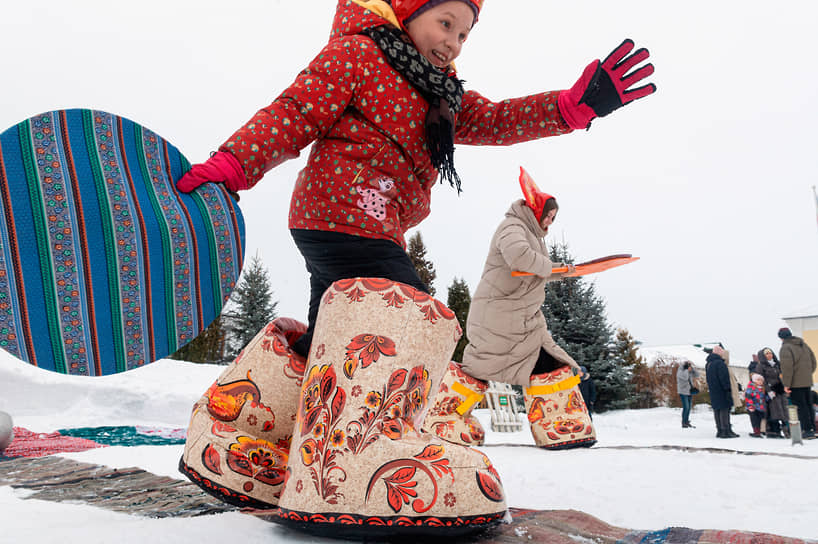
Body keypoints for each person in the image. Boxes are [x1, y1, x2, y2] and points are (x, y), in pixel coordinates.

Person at [175, 0, 657, 359]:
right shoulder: (359, 54)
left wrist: (569, 109)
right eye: (445, 23)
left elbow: (495, 120)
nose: (453, 41)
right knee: (413, 320)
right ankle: (367, 443)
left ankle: (274, 424)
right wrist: (236, 165)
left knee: (334, 338)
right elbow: (295, 113)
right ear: (406, 11)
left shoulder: (441, 93)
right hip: (340, 213)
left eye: (465, 34)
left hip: (369, 226)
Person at [460, 169, 581, 385]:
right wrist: (555, 269)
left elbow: (533, 270)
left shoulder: (530, 233)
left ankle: (555, 416)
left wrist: (562, 271)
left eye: (553, 218)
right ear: (536, 211)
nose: (550, 222)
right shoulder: (513, 226)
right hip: (500, 318)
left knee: (552, 367)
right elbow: (520, 257)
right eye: (548, 216)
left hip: (521, 318)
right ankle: (450, 409)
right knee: (548, 369)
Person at [778, 327, 817, 439]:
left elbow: (787, 368)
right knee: (809, 405)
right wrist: (807, 374)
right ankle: (812, 429)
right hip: (807, 381)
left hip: (795, 383)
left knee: (801, 406)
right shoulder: (803, 344)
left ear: (781, 338)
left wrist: (786, 384)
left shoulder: (786, 348)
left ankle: (806, 430)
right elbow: (813, 361)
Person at [705, 345, 738, 438]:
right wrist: (727, 389)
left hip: (713, 390)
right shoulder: (720, 363)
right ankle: (725, 430)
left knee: (717, 410)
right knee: (724, 409)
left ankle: (719, 430)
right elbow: (724, 378)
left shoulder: (708, 364)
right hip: (722, 390)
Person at [756, 347, 787, 438]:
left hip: (780, 390)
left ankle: (786, 430)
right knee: (774, 411)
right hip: (771, 391)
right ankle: (773, 431)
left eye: (770, 353)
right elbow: (761, 379)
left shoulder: (777, 364)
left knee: (784, 410)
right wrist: (768, 390)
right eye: (767, 354)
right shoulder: (761, 366)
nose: (769, 355)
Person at [676, 360, 699, 428]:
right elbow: (685, 377)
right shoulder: (680, 371)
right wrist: (687, 370)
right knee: (686, 407)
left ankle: (686, 421)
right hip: (683, 392)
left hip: (689, 391)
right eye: (687, 364)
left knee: (689, 408)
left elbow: (697, 375)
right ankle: (684, 422)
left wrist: (693, 368)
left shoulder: (689, 370)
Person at [744, 373, 766, 438]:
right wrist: (750, 405)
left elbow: (763, 398)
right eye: (758, 380)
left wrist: (769, 397)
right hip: (753, 407)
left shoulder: (762, 388)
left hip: (761, 407)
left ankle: (759, 431)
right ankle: (756, 432)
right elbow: (748, 397)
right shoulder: (751, 387)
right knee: (754, 420)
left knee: (759, 420)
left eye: (761, 380)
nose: (760, 382)